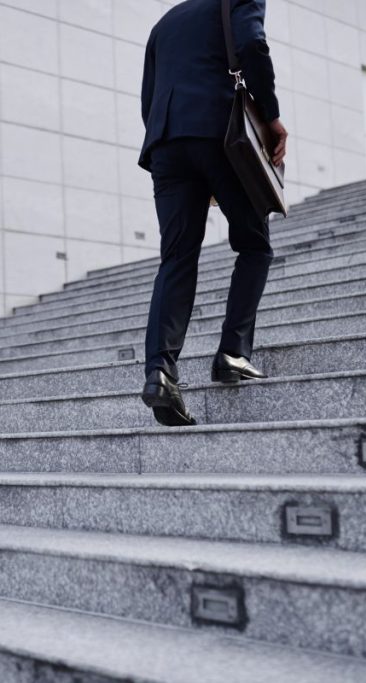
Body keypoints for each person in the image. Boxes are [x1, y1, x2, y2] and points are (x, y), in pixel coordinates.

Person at [138, 0, 288, 427]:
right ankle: (233, 353)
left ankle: (161, 372)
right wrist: (272, 116)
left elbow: (148, 97)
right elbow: (253, 47)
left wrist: (180, 151)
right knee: (254, 245)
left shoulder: (166, 21)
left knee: (178, 257)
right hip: (221, 133)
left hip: (166, 142)